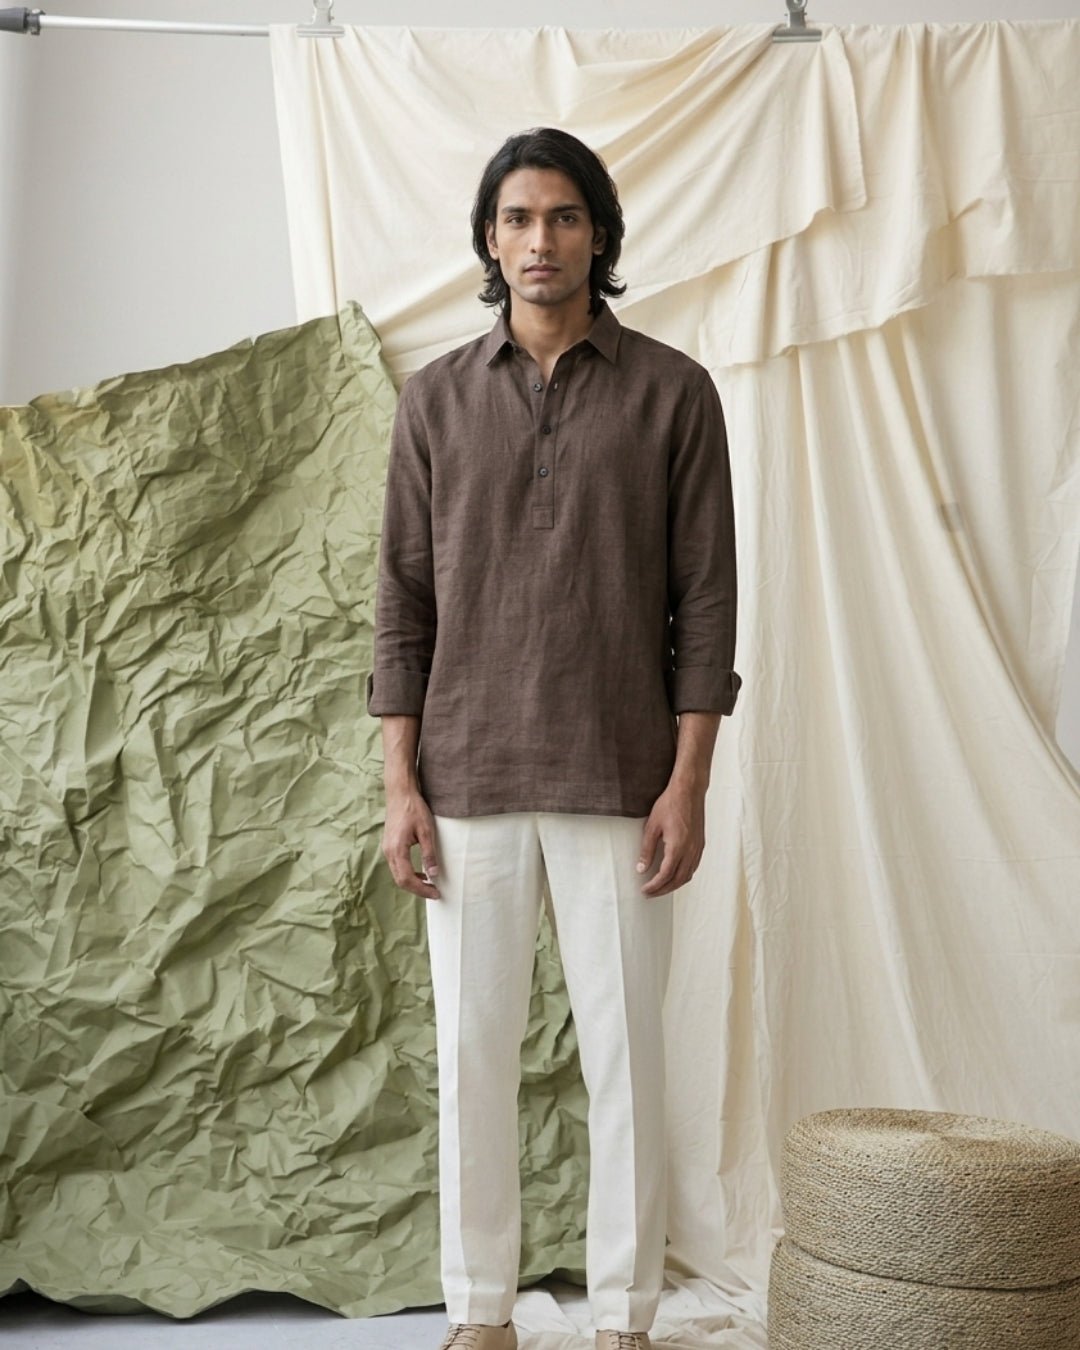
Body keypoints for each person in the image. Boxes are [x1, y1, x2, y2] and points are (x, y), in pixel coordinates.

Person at [366, 126, 741, 1350]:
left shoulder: (675, 392)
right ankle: (482, 1311)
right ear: (489, 238)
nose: (541, 240)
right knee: (473, 1060)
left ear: (600, 235)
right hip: (465, 779)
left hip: (622, 778)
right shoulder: (433, 401)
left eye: (565, 217)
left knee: (628, 1065)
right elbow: (402, 604)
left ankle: (626, 1316)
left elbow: (708, 602)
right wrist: (398, 784)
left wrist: (688, 783)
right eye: (519, 219)